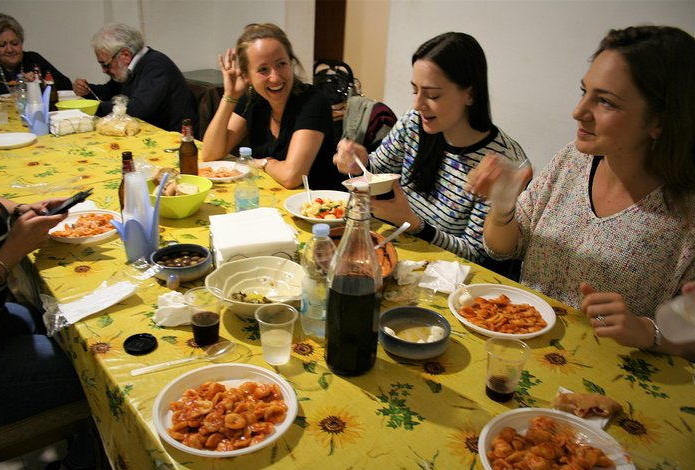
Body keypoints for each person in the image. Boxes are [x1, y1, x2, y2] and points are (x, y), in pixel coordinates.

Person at [469, 26, 695, 358]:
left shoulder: (685, 214)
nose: (578, 111)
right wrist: (503, 206)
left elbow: (689, 337)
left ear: (659, 121)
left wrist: (648, 331)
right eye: (583, 91)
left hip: (613, 382)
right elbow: (505, 249)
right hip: (520, 347)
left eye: (605, 102)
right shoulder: (571, 161)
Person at [0, 52, 98, 470]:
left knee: (48, 318)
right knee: (94, 369)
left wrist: (20, 208)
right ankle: (80, 467)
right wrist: (10, 251)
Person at [332, 32, 528, 264]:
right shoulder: (414, 123)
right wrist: (358, 163)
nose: (417, 104)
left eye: (432, 94)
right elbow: (376, 172)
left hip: (449, 276)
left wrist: (414, 224)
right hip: (395, 254)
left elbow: (478, 256)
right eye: (415, 90)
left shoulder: (497, 162)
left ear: (470, 94)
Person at [201, 23, 343, 190]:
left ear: (291, 63)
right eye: (263, 69)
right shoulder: (252, 99)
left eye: (281, 64)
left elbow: (291, 177)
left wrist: (264, 162)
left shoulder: (313, 102)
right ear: (247, 76)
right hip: (272, 200)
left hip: (318, 206)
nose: (275, 78)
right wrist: (230, 97)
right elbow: (210, 154)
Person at [73, 23, 196, 133]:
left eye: (106, 64)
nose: (104, 70)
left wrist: (93, 108)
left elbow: (138, 109)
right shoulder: (128, 68)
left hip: (174, 138)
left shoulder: (156, 65)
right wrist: (88, 91)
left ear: (125, 55)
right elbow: (110, 92)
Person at [0, 13, 72, 95]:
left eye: (14, 43)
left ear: (21, 41)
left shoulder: (33, 59)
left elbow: (67, 85)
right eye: (2, 45)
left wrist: (41, 83)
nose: (9, 50)